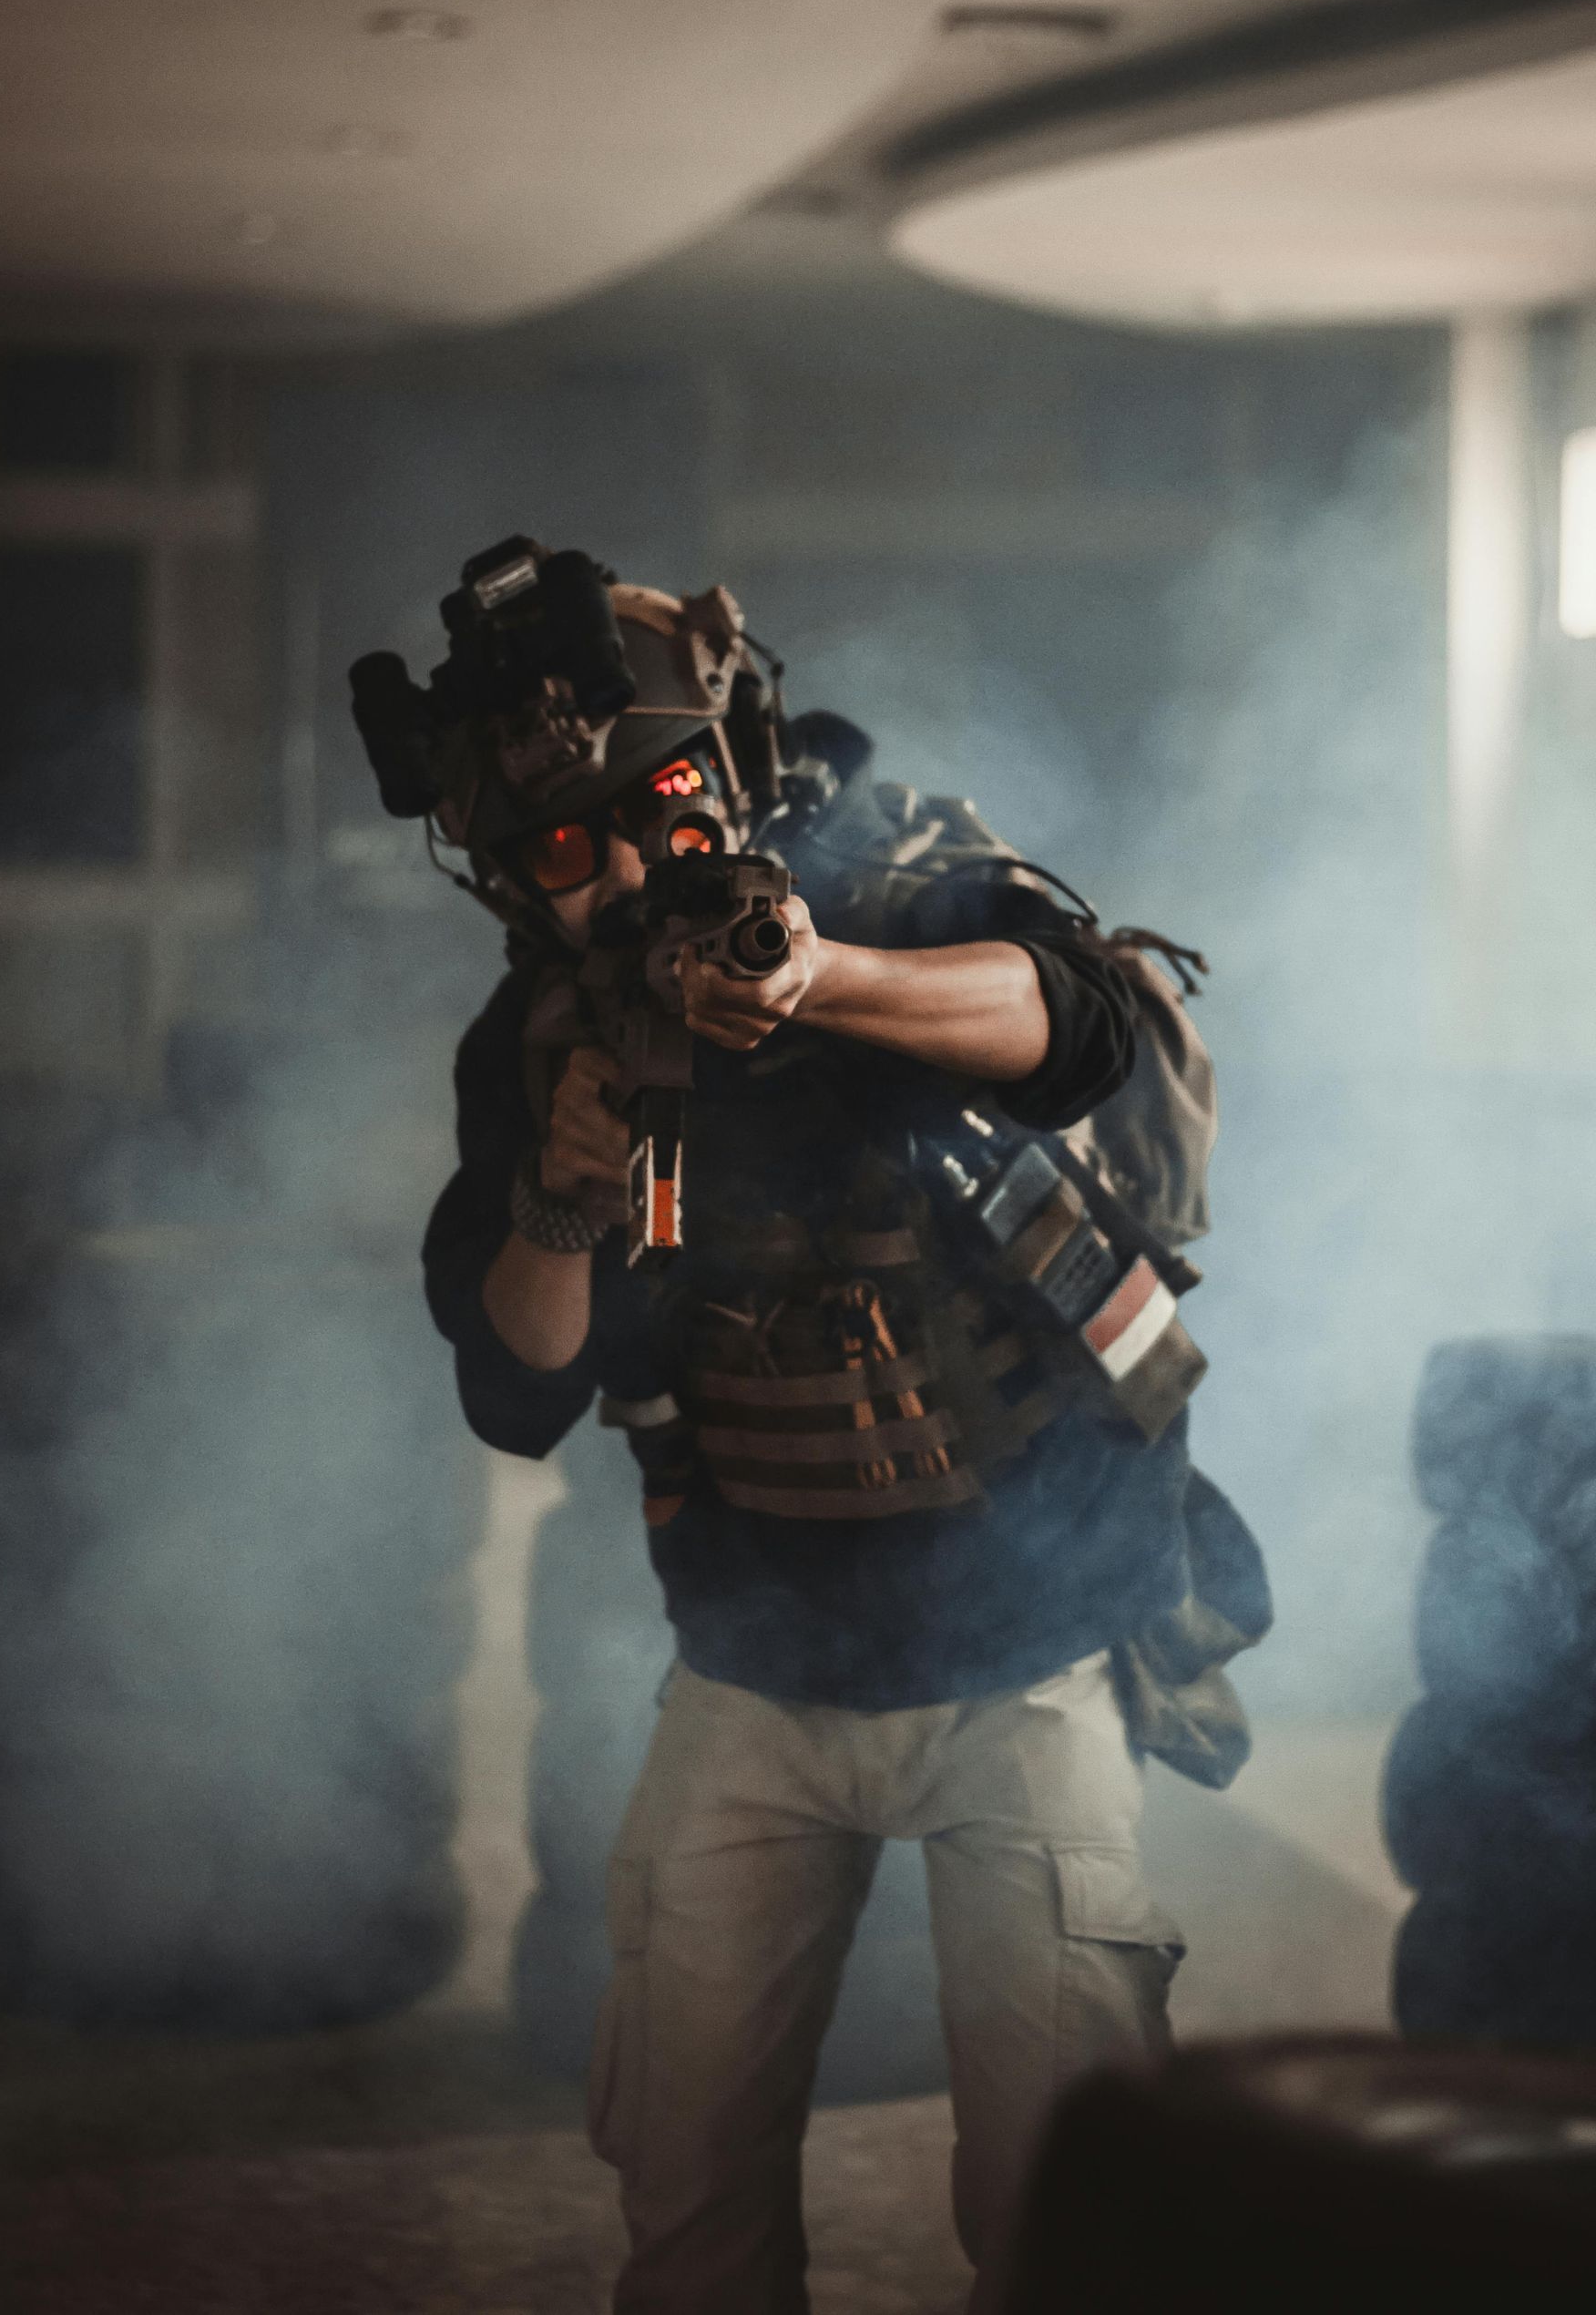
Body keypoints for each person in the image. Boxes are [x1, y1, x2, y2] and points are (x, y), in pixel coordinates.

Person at [356, 538, 1270, 2315]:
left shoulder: (894, 874)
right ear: (511, 877)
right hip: (759, 1666)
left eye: (656, 805)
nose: (629, 871)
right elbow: (515, 1382)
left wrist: (820, 977)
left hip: (1027, 1651)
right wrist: (564, 1193)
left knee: (1066, 2207)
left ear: (727, 759)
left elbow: (1076, 1018)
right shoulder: (541, 1041)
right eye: (567, 850)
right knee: (686, 2195)